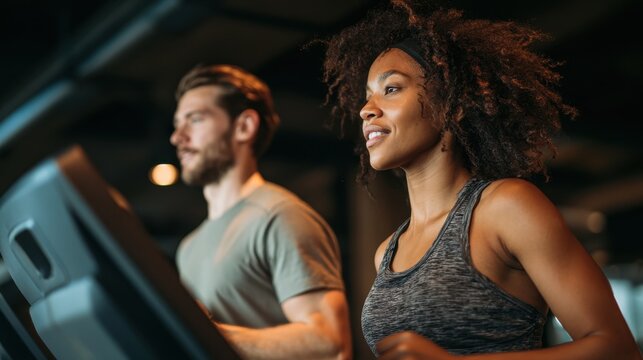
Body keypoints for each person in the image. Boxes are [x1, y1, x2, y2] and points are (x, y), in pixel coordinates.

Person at [322, 1, 641, 359]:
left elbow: (617, 348)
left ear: (452, 104)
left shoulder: (505, 207)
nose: (367, 109)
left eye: (391, 89)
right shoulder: (386, 253)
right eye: (367, 97)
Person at [170, 64, 351, 359]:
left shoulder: (280, 217)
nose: (178, 137)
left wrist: (206, 332)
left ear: (244, 127)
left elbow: (329, 342)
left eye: (195, 119)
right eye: (178, 123)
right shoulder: (188, 247)